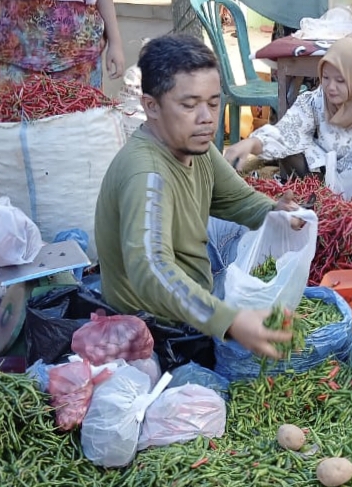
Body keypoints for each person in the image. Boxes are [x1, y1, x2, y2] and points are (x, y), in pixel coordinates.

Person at [94, 34, 307, 361]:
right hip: (155, 327)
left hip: (193, 294)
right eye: (189, 105)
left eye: (212, 102)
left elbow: (235, 199)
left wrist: (275, 212)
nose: (206, 117)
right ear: (151, 106)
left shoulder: (196, 145)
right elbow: (151, 270)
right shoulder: (147, 175)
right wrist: (230, 321)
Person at [223, 32, 352, 211]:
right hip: (321, 181)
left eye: (341, 81)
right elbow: (288, 130)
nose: (330, 87)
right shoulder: (317, 100)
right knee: (290, 145)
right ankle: (314, 206)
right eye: (326, 77)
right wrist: (252, 143)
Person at [0, 0, 125, 93]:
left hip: (79, 60)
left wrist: (115, 42)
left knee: (77, 129)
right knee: (14, 129)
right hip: (13, 60)